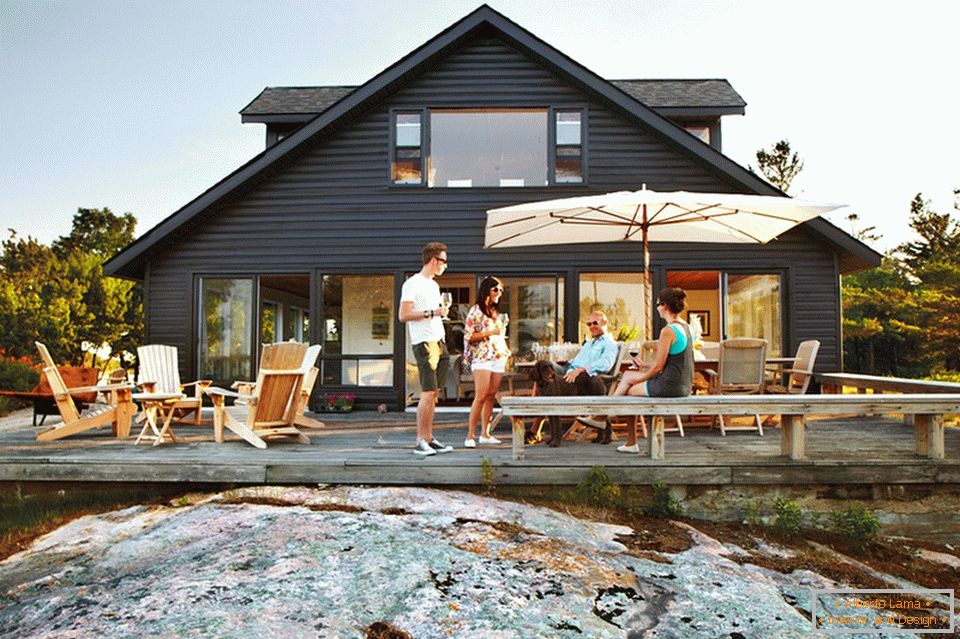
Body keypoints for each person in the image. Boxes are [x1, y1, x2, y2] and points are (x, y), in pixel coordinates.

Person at [613, 287, 694, 453]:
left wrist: (640, 378)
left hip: (669, 385)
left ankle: (620, 430)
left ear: (664, 306)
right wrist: (643, 366)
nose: (657, 308)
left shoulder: (668, 331)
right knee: (629, 376)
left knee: (629, 389)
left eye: (657, 304)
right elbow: (669, 362)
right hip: (684, 385)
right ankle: (605, 415)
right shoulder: (685, 327)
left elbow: (658, 368)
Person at [399, 241, 453, 456]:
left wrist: (439, 314)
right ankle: (420, 440)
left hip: (439, 342)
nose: (446, 266)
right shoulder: (413, 283)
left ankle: (429, 438)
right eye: (444, 262)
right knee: (428, 392)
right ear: (433, 260)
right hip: (424, 343)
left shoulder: (433, 285)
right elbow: (403, 315)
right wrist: (432, 313)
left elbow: (437, 312)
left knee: (435, 394)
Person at [555, 310, 619, 443]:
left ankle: (537, 424)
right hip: (570, 373)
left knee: (548, 384)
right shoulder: (589, 343)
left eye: (595, 323)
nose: (591, 327)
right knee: (545, 368)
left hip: (585, 381)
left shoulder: (609, 343)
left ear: (605, 323)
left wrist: (580, 370)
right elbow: (578, 361)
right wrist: (567, 363)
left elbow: (605, 364)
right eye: (589, 324)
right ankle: (536, 421)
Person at [462, 276, 511, 448]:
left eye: (501, 290)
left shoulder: (496, 312)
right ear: (487, 290)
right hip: (482, 357)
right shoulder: (476, 311)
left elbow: (499, 334)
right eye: (496, 289)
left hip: (497, 356)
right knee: (481, 395)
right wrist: (491, 332)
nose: (499, 292)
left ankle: (485, 434)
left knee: (491, 396)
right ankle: (470, 436)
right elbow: (469, 337)